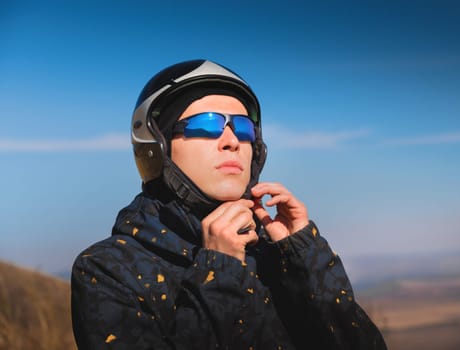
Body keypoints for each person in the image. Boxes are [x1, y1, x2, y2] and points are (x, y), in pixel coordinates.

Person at [71, 59, 387, 350]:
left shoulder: (275, 253)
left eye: (244, 127)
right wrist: (219, 271)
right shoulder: (109, 270)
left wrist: (304, 257)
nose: (231, 140)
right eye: (206, 125)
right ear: (157, 148)